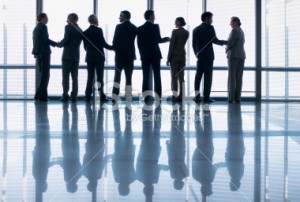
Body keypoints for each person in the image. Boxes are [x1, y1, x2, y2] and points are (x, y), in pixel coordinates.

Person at [192, 11, 226, 103]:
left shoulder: (195, 29)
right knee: (208, 76)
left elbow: (193, 45)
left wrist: (197, 54)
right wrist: (224, 42)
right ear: (206, 18)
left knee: (198, 76)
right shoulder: (210, 28)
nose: (212, 20)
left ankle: (197, 96)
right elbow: (214, 40)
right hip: (208, 56)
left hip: (200, 56)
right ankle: (206, 97)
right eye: (211, 18)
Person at [137, 10, 170, 103]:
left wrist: (142, 54)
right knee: (157, 76)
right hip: (155, 55)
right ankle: (158, 96)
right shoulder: (155, 27)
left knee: (145, 76)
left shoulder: (140, 28)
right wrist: (167, 39)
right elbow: (158, 40)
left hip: (145, 56)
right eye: (154, 15)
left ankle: (145, 97)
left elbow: (139, 44)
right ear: (151, 16)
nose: (154, 17)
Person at [83, 14, 113, 102]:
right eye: (97, 20)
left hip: (89, 58)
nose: (98, 21)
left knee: (90, 77)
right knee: (100, 77)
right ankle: (101, 96)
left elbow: (85, 47)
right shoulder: (99, 30)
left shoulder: (85, 32)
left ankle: (87, 96)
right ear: (94, 20)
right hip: (99, 57)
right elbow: (103, 43)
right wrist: (112, 48)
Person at [112, 10, 137, 103]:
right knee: (129, 77)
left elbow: (115, 41)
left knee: (117, 76)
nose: (119, 17)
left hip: (119, 56)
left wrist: (115, 50)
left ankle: (115, 97)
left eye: (120, 16)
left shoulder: (119, 27)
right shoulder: (134, 27)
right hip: (130, 56)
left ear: (125, 16)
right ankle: (128, 97)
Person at [32, 13, 58, 101]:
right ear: (42, 18)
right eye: (46, 18)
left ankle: (38, 95)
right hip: (44, 53)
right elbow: (45, 40)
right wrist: (56, 44)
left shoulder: (36, 28)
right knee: (45, 75)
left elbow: (36, 42)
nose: (48, 19)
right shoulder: (43, 27)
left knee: (42, 74)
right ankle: (42, 97)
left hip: (38, 53)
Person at [58, 13, 83, 102]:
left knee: (65, 77)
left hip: (67, 56)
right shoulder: (80, 30)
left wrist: (59, 44)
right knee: (75, 78)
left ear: (72, 19)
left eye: (68, 19)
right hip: (76, 57)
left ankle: (65, 95)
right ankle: (74, 96)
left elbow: (66, 39)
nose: (67, 21)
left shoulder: (68, 27)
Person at [167, 17, 189, 102]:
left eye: (175, 22)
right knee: (181, 77)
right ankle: (181, 97)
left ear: (179, 22)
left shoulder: (175, 31)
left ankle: (175, 97)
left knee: (174, 78)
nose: (174, 23)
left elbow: (171, 46)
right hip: (182, 56)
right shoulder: (186, 32)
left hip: (175, 57)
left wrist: (168, 58)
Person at [226, 16, 246, 103]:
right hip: (241, 55)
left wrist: (226, 49)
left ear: (236, 22)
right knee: (239, 77)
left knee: (232, 77)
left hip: (233, 55)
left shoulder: (234, 30)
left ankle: (231, 98)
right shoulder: (241, 31)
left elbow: (230, 43)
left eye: (231, 22)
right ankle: (238, 98)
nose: (230, 24)